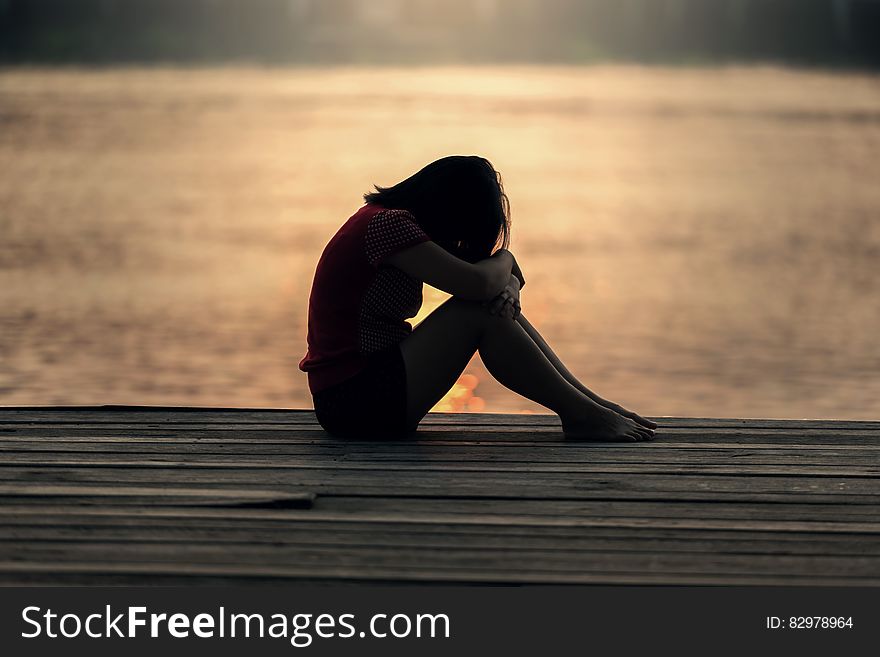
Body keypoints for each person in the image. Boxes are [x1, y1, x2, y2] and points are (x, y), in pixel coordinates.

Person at [299, 155, 656, 441]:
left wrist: (509, 286)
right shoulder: (388, 226)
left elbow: (494, 282)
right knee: (476, 311)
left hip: (363, 394)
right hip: (353, 402)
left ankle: (590, 406)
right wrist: (506, 259)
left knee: (485, 306)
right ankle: (583, 414)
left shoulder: (388, 223)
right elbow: (480, 283)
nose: (459, 243)